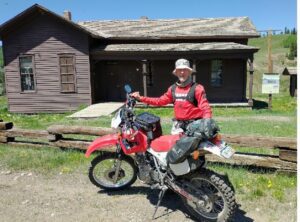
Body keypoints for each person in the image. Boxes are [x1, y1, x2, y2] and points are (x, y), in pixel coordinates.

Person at [131, 58, 212, 135]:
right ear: (176, 73)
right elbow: (159, 101)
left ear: (189, 72)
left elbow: (205, 106)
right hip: (178, 126)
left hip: (194, 125)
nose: (182, 72)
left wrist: (207, 120)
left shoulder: (197, 88)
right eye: (179, 70)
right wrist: (141, 98)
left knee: (193, 148)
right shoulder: (172, 89)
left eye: (185, 70)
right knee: (173, 147)